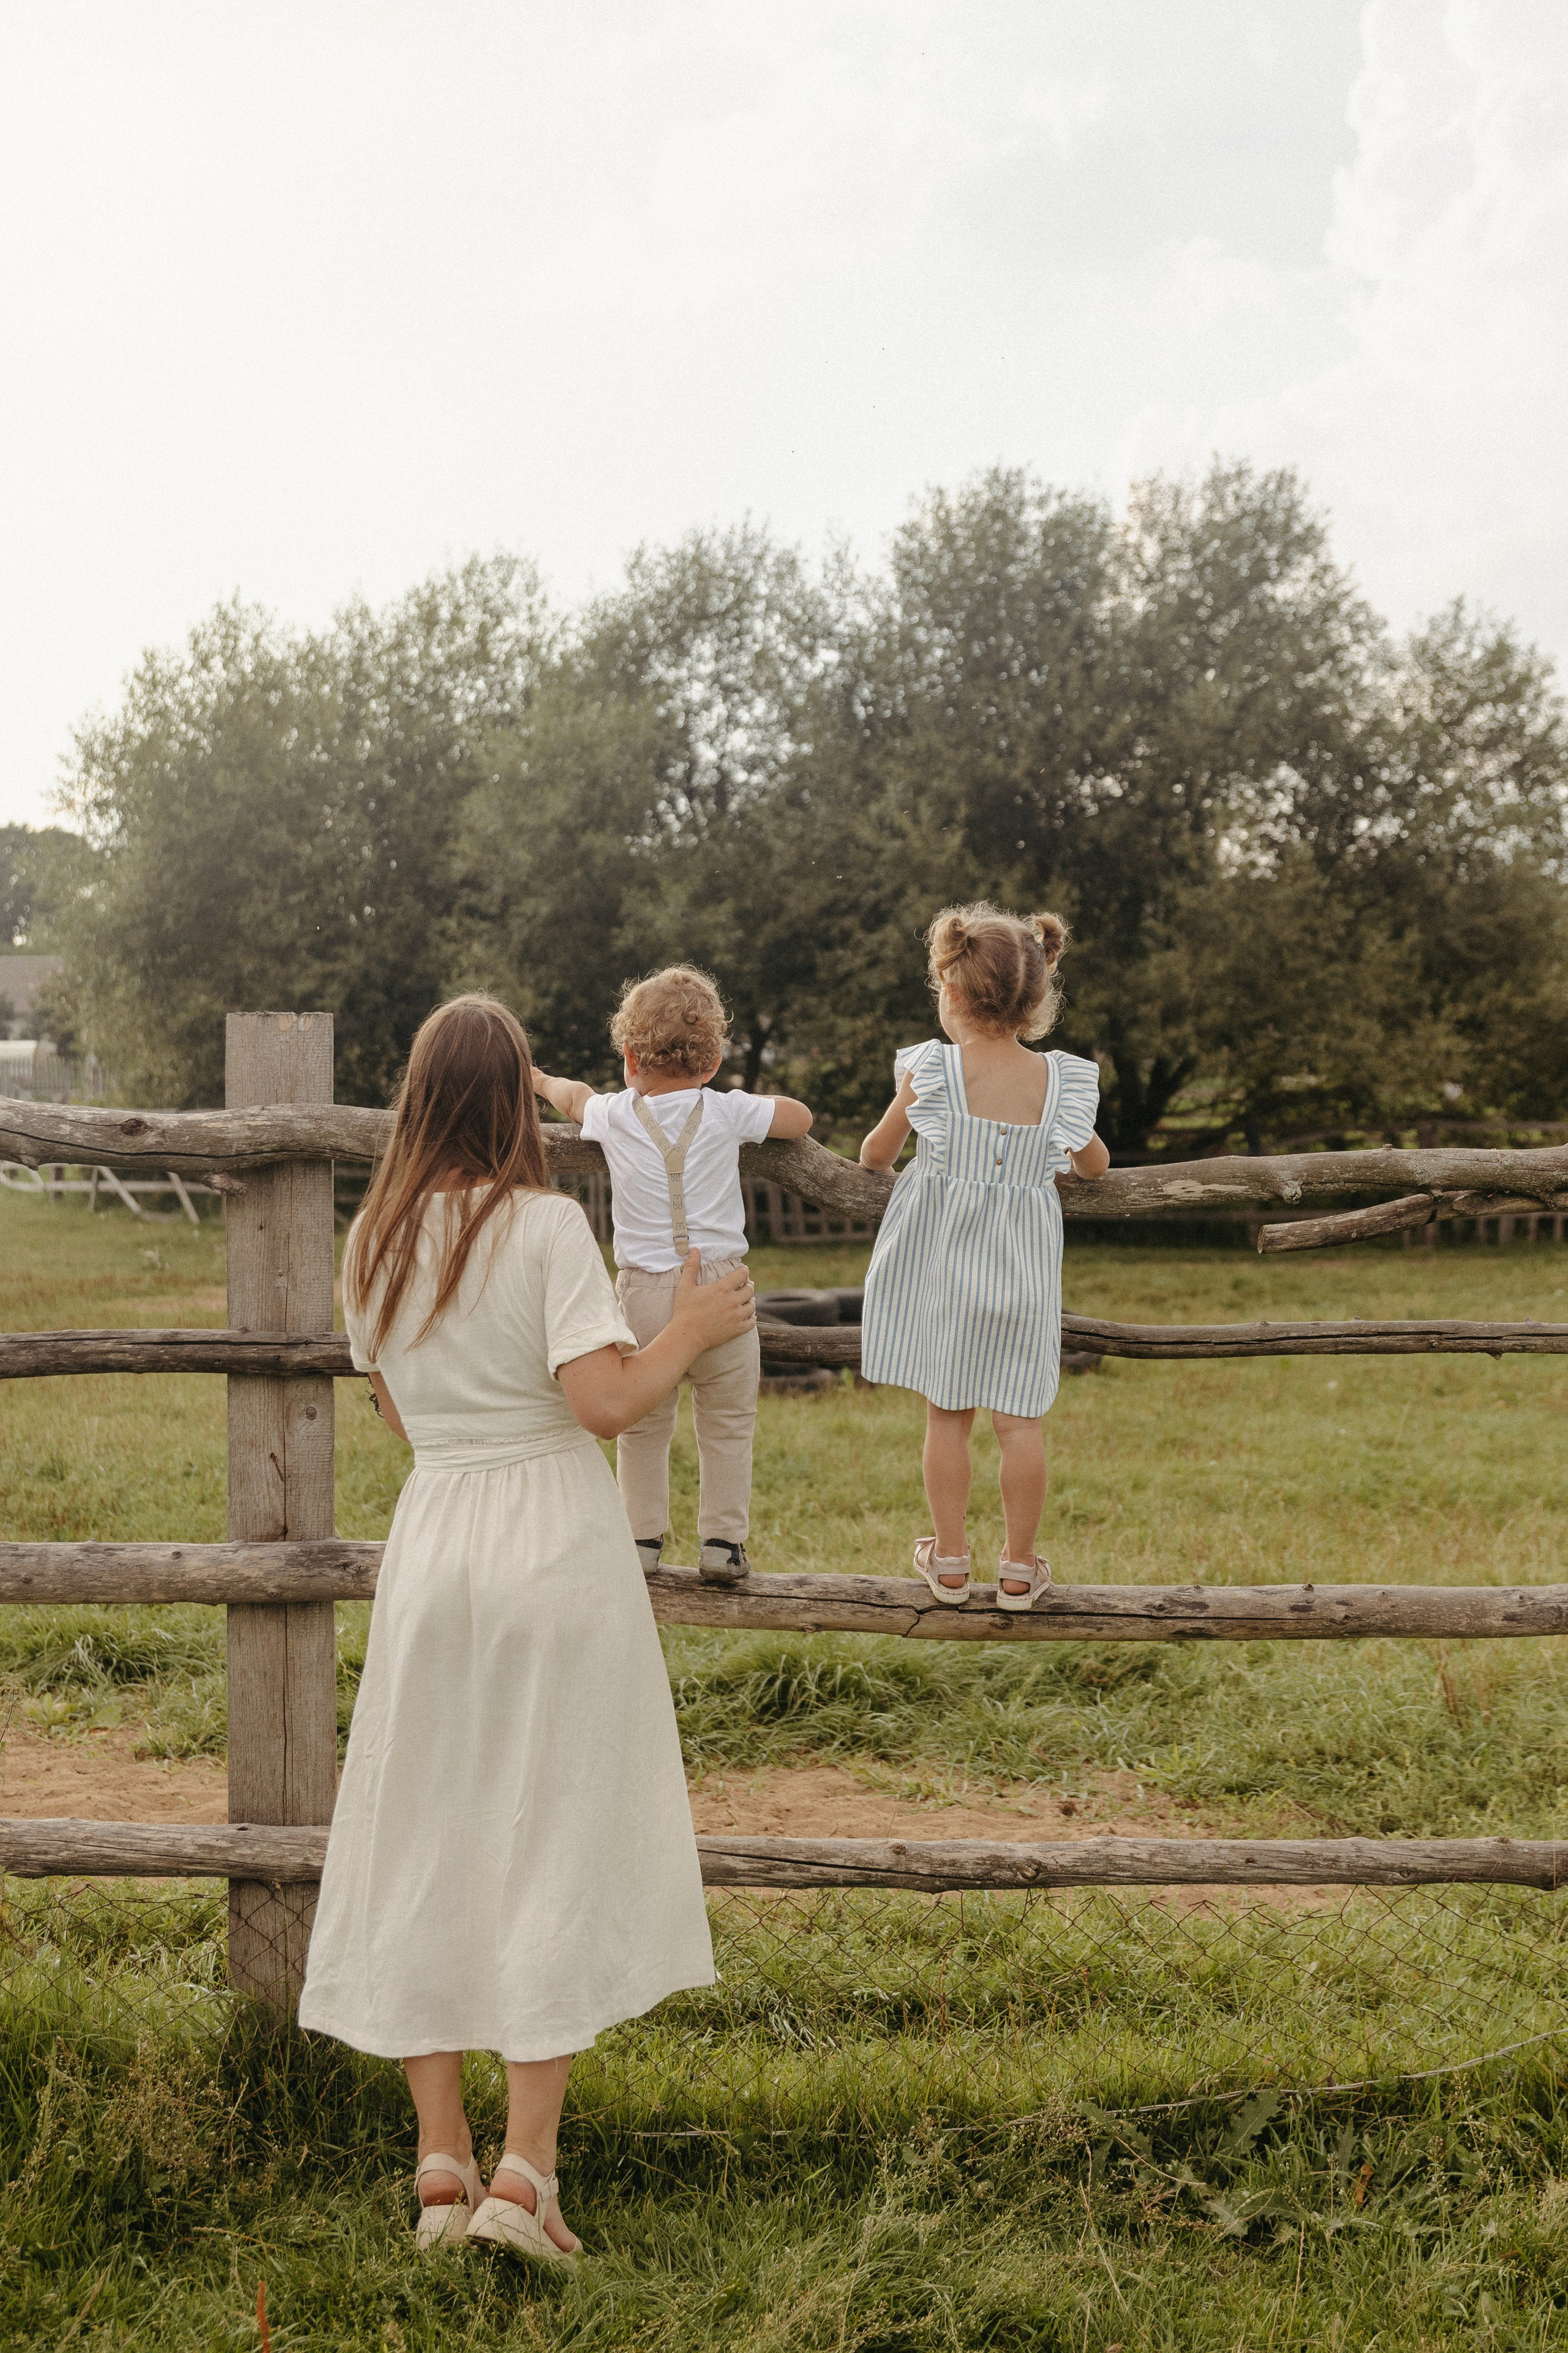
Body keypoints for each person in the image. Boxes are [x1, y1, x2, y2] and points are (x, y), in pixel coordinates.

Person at [298, 992, 756, 2264]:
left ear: (416, 1099)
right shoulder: (546, 1227)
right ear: (514, 1102)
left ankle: (439, 2164)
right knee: (549, 1833)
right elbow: (603, 1402)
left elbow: (401, 1413)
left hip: (436, 1546)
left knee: (427, 1834)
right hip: (550, 1543)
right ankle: (526, 2174)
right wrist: (690, 1330)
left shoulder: (372, 1240)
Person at [858, 905, 1109, 1607]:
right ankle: (1020, 1568)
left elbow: (874, 1154)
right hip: (1024, 1274)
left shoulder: (931, 1069)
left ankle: (949, 1561)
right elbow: (1093, 1165)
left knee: (947, 1415)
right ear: (1034, 1001)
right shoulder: (1059, 1080)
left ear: (951, 989)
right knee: (1020, 1422)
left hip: (946, 1273)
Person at [532, 965, 812, 1586]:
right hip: (721, 1290)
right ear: (712, 1062)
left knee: (643, 1424)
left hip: (642, 1290)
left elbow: (572, 1097)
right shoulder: (727, 1110)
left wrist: (540, 1079)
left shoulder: (614, 1113)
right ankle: (723, 1542)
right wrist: (756, 1102)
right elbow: (798, 1118)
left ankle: (640, 1540)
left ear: (631, 1058)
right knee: (728, 1422)